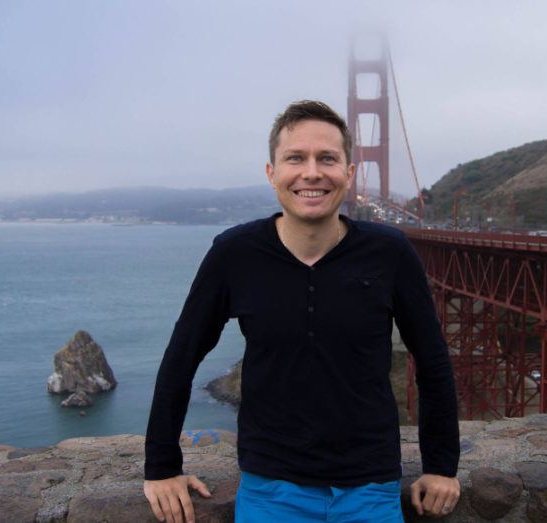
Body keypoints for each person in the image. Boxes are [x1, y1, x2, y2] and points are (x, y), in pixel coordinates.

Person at [143, 100, 460, 523]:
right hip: (270, 488)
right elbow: (182, 358)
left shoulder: (391, 253)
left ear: (348, 175)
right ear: (272, 173)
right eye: (296, 158)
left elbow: (434, 362)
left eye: (327, 158)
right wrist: (162, 467)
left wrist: (441, 465)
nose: (312, 172)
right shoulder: (233, 254)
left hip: (371, 487)